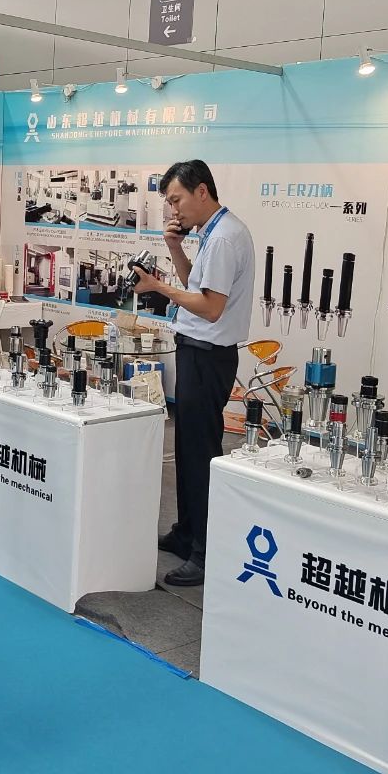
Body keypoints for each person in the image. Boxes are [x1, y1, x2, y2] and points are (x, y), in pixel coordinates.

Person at [132, 159, 254, 588]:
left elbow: (211, 308)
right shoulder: (213, 233)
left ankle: (204, 552)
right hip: (198, 351)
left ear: (202, 191)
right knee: (186, 449)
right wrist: (174, 249)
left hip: (208, 355)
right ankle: (186, 533)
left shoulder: (223, 239)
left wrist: (157, 287)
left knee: (200, 454)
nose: (173, 210)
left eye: (176, 200)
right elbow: (197, 289)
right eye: (169, 202)